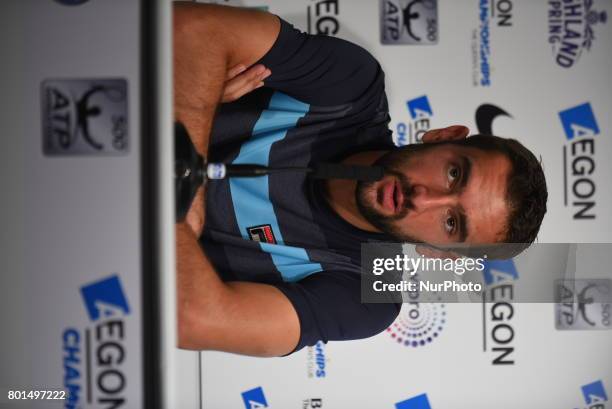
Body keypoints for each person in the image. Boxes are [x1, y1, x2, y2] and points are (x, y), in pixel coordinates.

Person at [173, 2, 548, 357]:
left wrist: (189, 98)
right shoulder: (351, 86)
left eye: (451, 223)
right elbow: (190, 27)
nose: (423, 198)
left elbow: (194, 319)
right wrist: (184, 214)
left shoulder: (369, 296)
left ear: (440, 252)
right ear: (444, 136)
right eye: (454, 174)